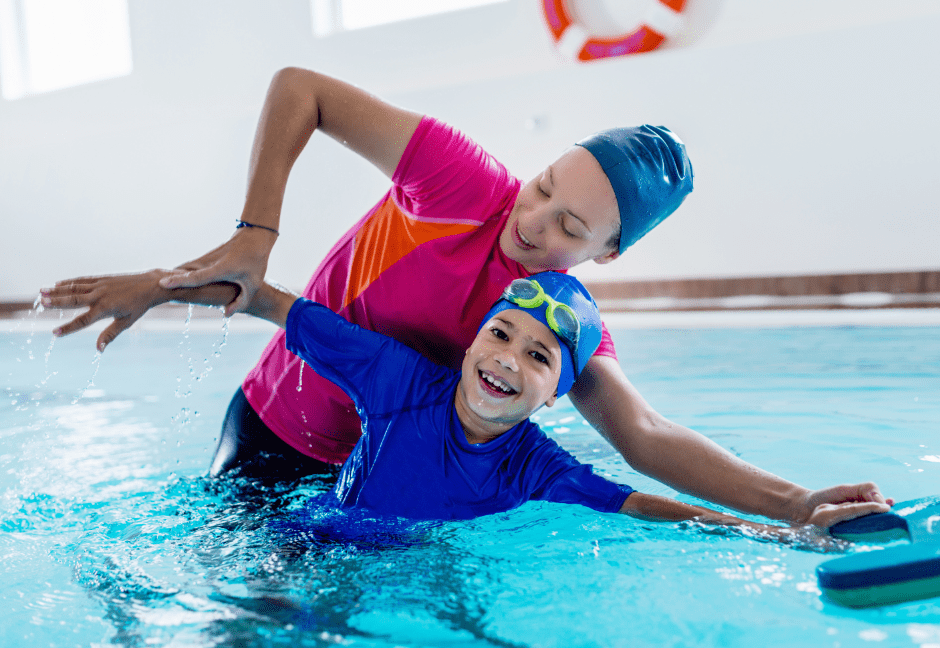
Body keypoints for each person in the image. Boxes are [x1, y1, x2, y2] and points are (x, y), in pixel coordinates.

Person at [40, 66, 891, 525]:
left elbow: (645, 436)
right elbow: (300, 87)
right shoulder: (459, 179)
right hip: (268, 428)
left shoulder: (555, 321)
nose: (534, 223)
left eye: (570, 226)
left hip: (364, 481)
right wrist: (248, 238)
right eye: (545, 185)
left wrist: (794, 502)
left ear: (609, 251)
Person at [238, 270, 888, 535]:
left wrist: (782, 529)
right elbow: (274, 303)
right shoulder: (397, 378)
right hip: (316, 540)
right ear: (471, 343)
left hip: (417, 561)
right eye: (500, 334)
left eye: (540, 357)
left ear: (555, 396)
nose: (507, 360)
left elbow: (644, 507)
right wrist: (154, 289)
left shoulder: (538, 467)